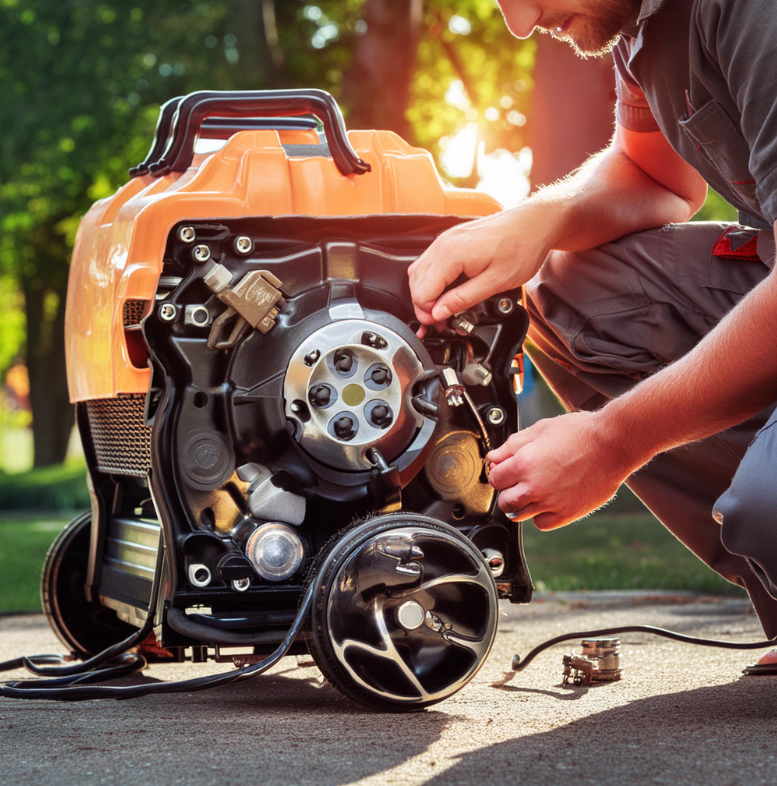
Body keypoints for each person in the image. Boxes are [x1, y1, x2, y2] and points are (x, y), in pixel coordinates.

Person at [408, 0, 777, 643]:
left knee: (769, 512)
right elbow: (655, 176)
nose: (521, 23)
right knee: (566, 285)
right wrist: (536, 220)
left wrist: (613, 439)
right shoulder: (636, 23)